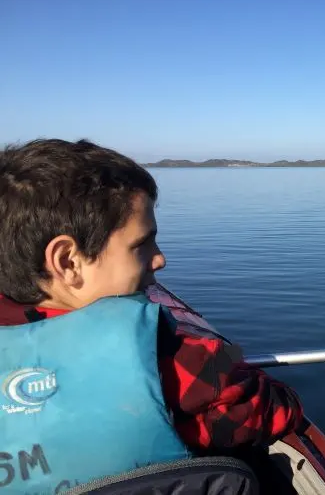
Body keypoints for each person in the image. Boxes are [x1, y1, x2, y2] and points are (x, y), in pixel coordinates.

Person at [0, 138, 304, 493]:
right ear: (69, 262)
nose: (160, 259)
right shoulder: (172, 358)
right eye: (142, 244)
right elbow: (272, 411)